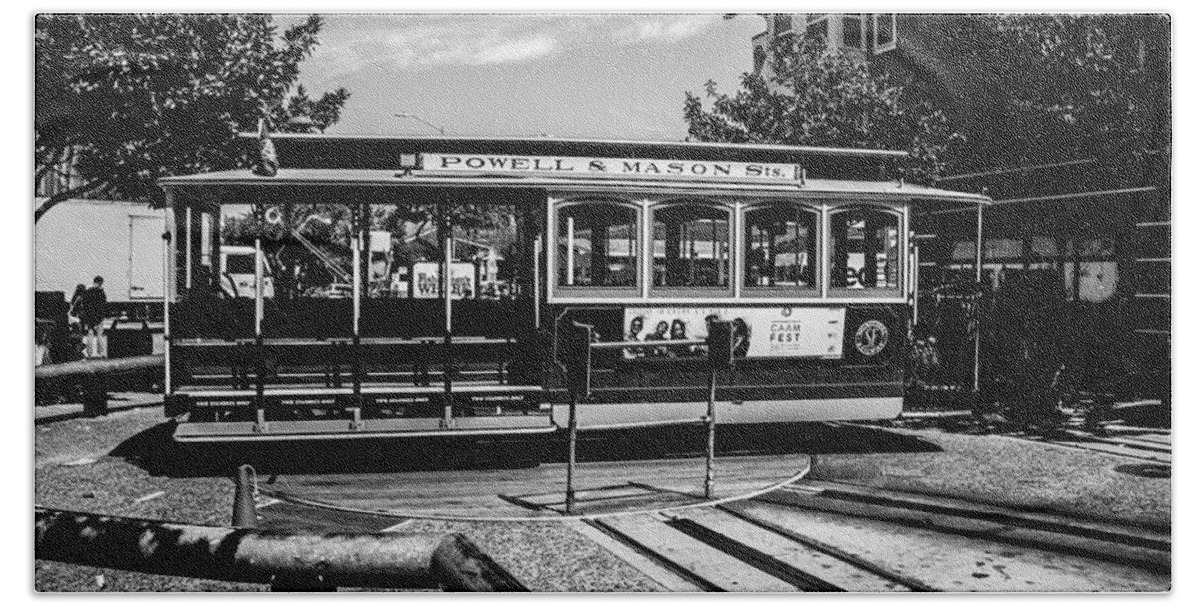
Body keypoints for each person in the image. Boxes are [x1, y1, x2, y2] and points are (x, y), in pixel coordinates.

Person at [78, 276, 108, 358]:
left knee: (90, 334)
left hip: (90, 317)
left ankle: (89, 353)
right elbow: (103, 305)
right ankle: (101, 353)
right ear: (100, 283)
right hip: (99, 317)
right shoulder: (101, 292)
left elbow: (84, 305)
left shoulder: (88, 292)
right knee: (99, 335)